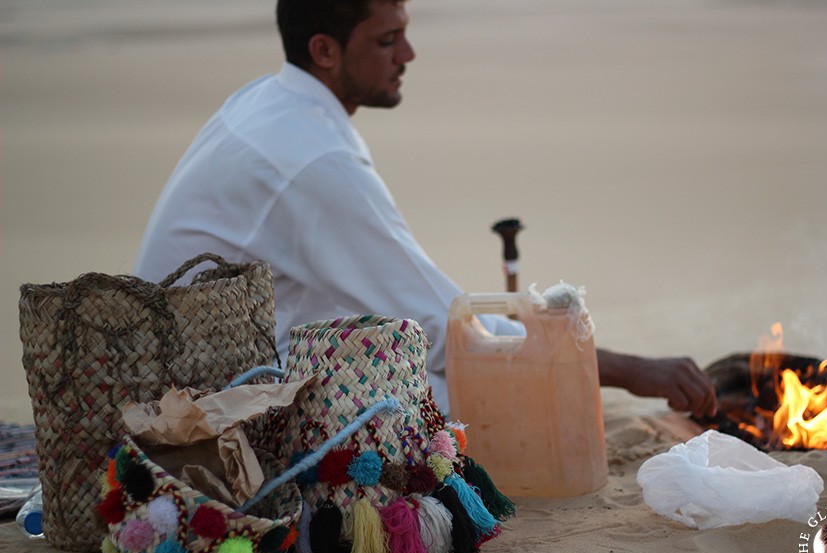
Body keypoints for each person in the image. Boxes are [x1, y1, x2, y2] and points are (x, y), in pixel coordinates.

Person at [133, 0, 716, 418]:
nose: (409, 53)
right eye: (387, 40)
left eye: (404, 32)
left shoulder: (272, 101)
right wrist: (621, 368)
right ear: (325, 51)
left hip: (207, 361)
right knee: (463, 386)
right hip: (202, 401)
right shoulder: (313, 162)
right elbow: (445, 328)